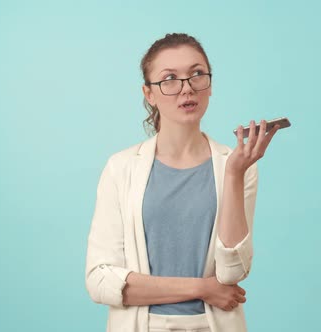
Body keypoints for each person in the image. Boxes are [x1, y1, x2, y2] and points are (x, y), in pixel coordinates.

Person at [85, 33, 280, 332]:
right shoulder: (120, 168)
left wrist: (234, 174)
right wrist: (201, 288)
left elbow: (232, 272)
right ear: (149, 94)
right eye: (170, 79)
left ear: (210, 85)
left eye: (197, 74)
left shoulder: (236, 166)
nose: (186, 89)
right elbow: (100, 280)